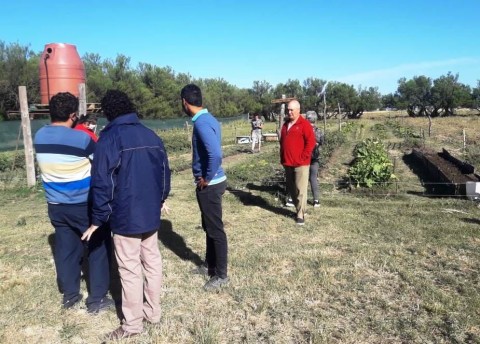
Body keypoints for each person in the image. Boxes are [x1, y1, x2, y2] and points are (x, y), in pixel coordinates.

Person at [81, 90, 171, 340]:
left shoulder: (109, 139)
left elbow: (102, 183)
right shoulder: (151, 135)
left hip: (125, 217)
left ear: (108, 112)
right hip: (150, 215)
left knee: (130, 269)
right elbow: (165, 173)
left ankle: (132, 325)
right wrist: (161, 199)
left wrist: (98, 218)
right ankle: (153, 313)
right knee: (151, 262)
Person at [34, 92, 113, 313]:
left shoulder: (39, 136)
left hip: (56, 205)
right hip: (83, 204)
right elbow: (100, 164)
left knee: (66, 249)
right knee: (97, 247)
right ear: (72, 115)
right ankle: (97, 299)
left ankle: (70, 295)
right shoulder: (82, 139)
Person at [180, 84, 229, 291]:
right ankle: (209, 264)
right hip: (212, 183)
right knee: (209, 226)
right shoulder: (209, 119)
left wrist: (207, 178)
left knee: (215, 229)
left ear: (184, 102)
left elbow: (215, 154)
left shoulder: (201, 123)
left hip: (211, 185)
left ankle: (221, 275)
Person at [280, 100, 316, 225]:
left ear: (298, 110)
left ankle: (300, 214)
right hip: (287, 162)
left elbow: (310, 143)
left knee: (301, 189)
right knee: (292, 188)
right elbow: (282, 143)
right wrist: (282, 157)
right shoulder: (285, 125)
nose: (289, 112)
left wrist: (303, 157)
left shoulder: (304, 124)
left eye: (291, 110)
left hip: (301, 163)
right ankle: (298, 208)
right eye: (288, 110)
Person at [306, 112, 325, 207]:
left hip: (305, 157)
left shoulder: (304, 129)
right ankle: (316, 200)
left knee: (303, 178)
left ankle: (297, 198)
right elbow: (322, 142)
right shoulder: (319, 131)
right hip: (315, 157)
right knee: (313, 178)